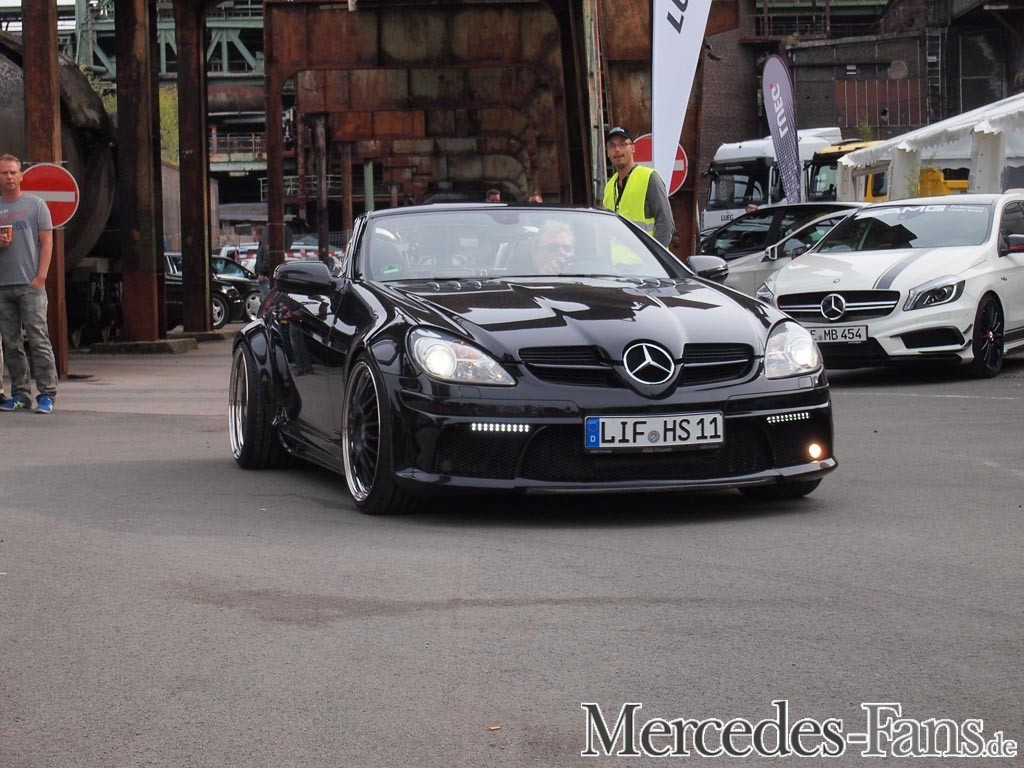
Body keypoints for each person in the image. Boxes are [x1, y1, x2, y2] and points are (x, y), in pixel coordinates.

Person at [0, 154, 58, 414]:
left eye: (13, 172)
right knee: (11, 343)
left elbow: (47, 241)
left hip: (30, 284)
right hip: (3, 285)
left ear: (21, 175)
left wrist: (41, 276)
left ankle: (47, 394)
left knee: (38, 338)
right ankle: (20, 394)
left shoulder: (36, 205)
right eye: (4, 173)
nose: (9, 177)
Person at [602, 126, 673, 246]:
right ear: (607, 152)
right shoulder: (609, 187)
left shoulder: (649, 177)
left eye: (623, 144)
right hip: (617, 258)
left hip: (644, 257)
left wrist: (653, 255)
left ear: (633, 148)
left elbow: (666, 223)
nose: (617, 149)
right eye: (612, 146)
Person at [252, 224, 270, 299]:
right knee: (264, 296)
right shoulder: (261, 244)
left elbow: (267, 259)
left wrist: (263, 273)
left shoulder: (265, 244)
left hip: (264, 276)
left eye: (255, 235)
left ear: (259, 234)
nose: (254, 237)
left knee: (266, 297)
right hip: (261, 275)